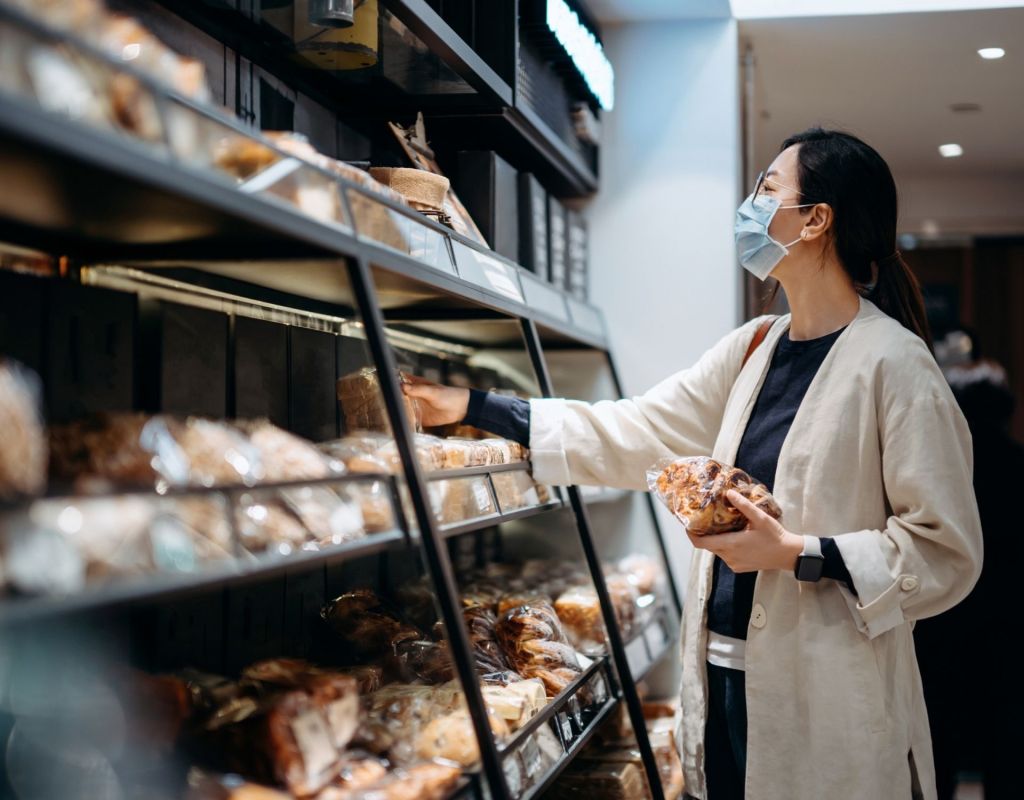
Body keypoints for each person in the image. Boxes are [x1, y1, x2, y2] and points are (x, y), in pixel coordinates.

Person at [403, 128, 983, 800]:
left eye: (767, 190)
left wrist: (796, 551)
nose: (749, 208)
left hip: (826, 700)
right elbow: (640, 428)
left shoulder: (894, 363)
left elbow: (945, 552)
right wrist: (476, 404)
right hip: (721, 681)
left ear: (816, 220)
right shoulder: (755, 346)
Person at [914, 354, 1020, 800]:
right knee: (1007, 752)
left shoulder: (940, 474)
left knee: (940, 747)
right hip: (1009, 631)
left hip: (943, 625)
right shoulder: (1018, 465)